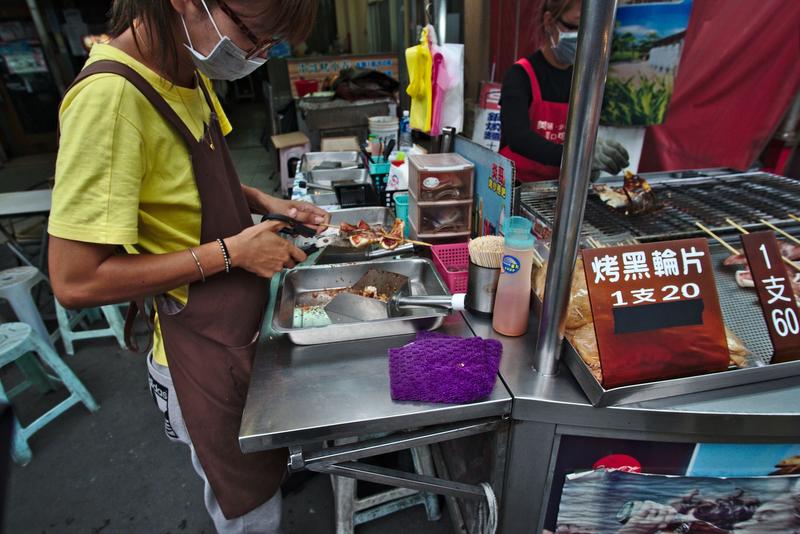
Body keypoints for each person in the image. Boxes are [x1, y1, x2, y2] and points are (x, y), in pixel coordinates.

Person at [48, 1, 325, 532]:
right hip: (195, 351)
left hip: (240, 329)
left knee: (266, 468)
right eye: (253, 36)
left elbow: (192, 181)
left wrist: (272, 204)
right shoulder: (109, 99)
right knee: (247, 507)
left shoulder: (184, 72)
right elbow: (74, 278)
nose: (256, 55)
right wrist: (232, 253)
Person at [499, 0, 629, 182]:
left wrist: (593, 160)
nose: (583, 37)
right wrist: (580, 157)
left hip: (559, 187)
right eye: (575, 27)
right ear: (549, 22)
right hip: (516, 186)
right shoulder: (520, 74)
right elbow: (518, 138)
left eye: (590, 29)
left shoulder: (583, 79)